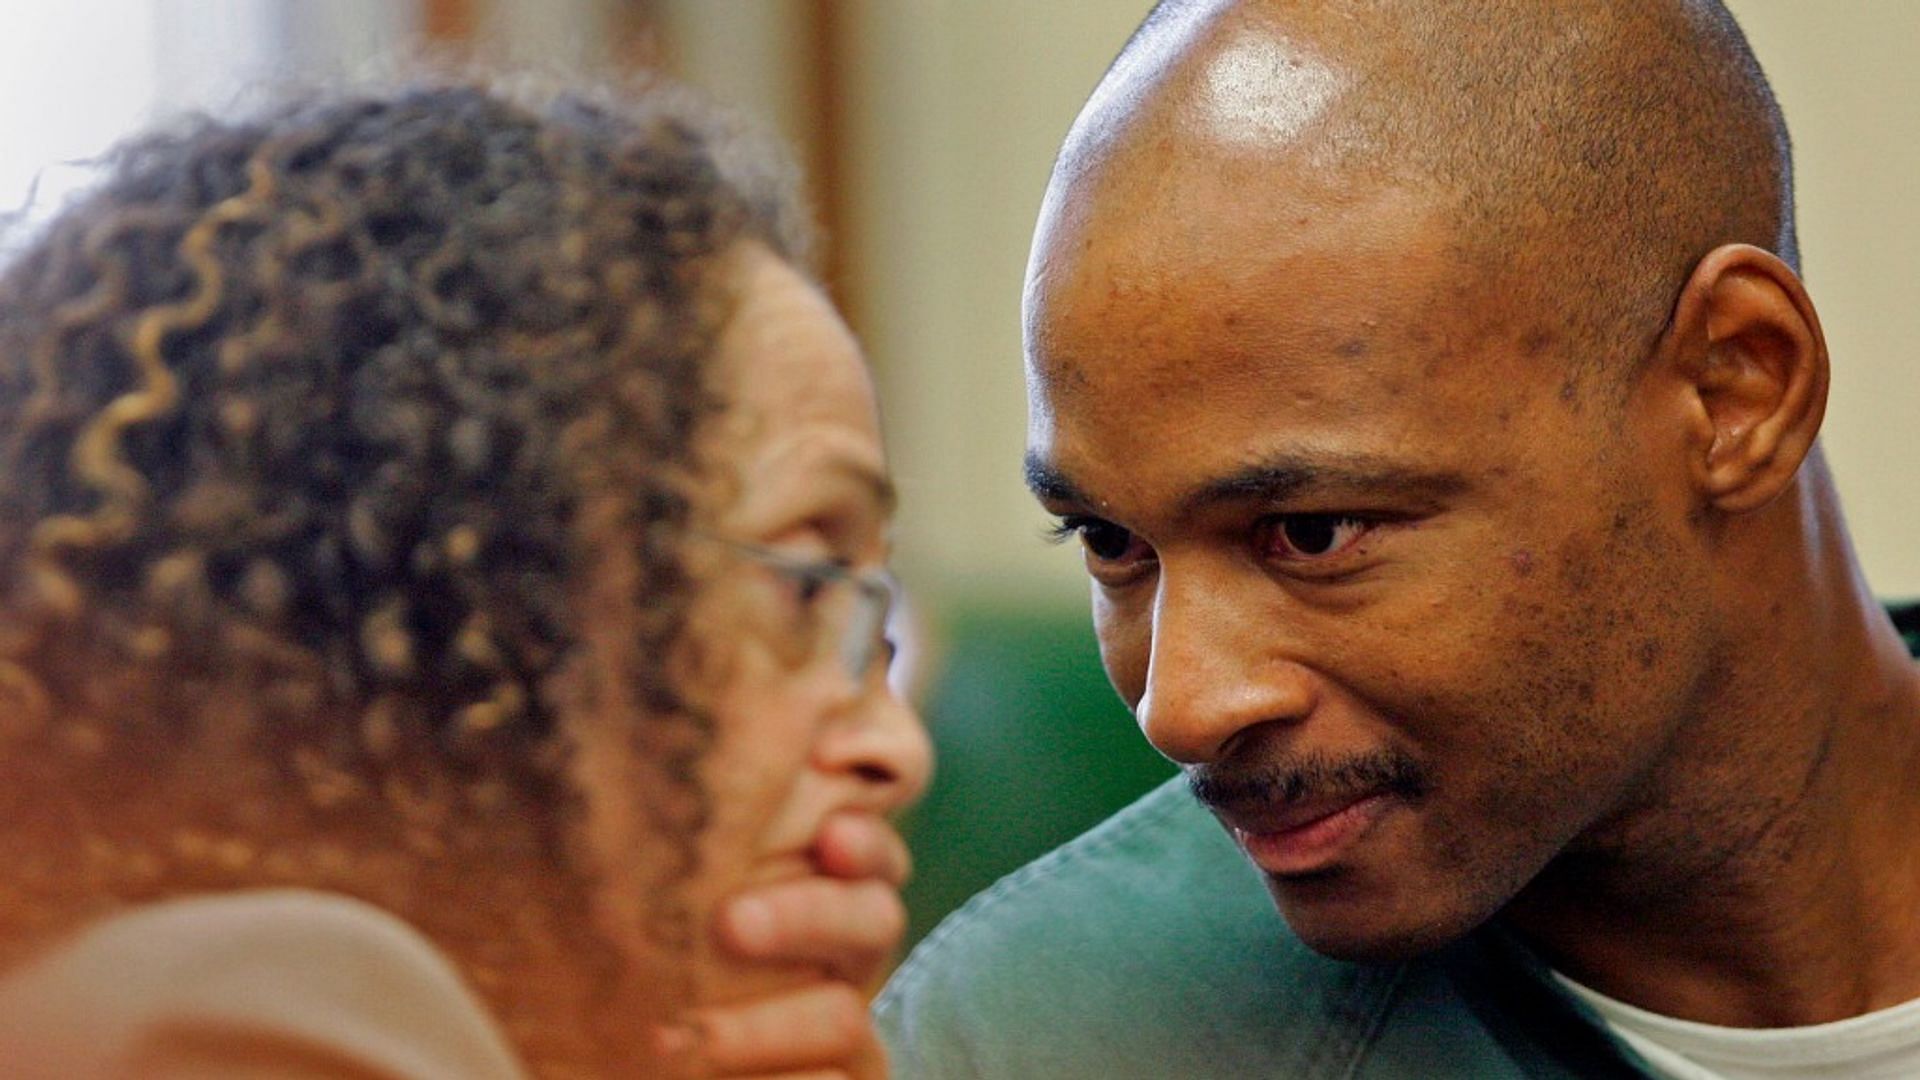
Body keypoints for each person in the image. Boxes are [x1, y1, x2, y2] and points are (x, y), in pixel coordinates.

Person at [877, 1, 1920, 1076]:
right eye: (1107, 540)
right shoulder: (1039, 1047)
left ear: (1735, 389)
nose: (1180, 707)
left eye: (1313, 534)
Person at [0, 76, 929, 1079]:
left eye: (875, 626)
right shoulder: (243, 1018)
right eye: (804, 586)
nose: (899, 750)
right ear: (461, 602)